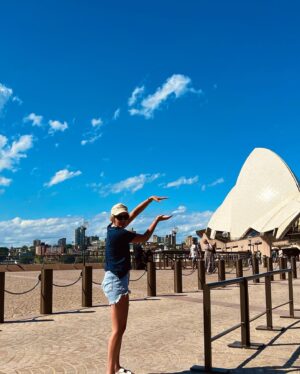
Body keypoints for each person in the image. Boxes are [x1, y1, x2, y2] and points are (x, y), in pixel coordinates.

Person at [101, 196, 171, 374]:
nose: (124, 219)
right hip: (116, 281)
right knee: (117, 330)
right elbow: (145, 237)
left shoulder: (113, 228)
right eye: (120, 217)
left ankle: (116, 367)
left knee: (120, 328)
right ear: (113, 218)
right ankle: (110, 371)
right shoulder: (120, 234)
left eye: (125, 216)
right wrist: (156, 220)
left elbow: (134, 213)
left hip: (116, 278)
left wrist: (149, 200)